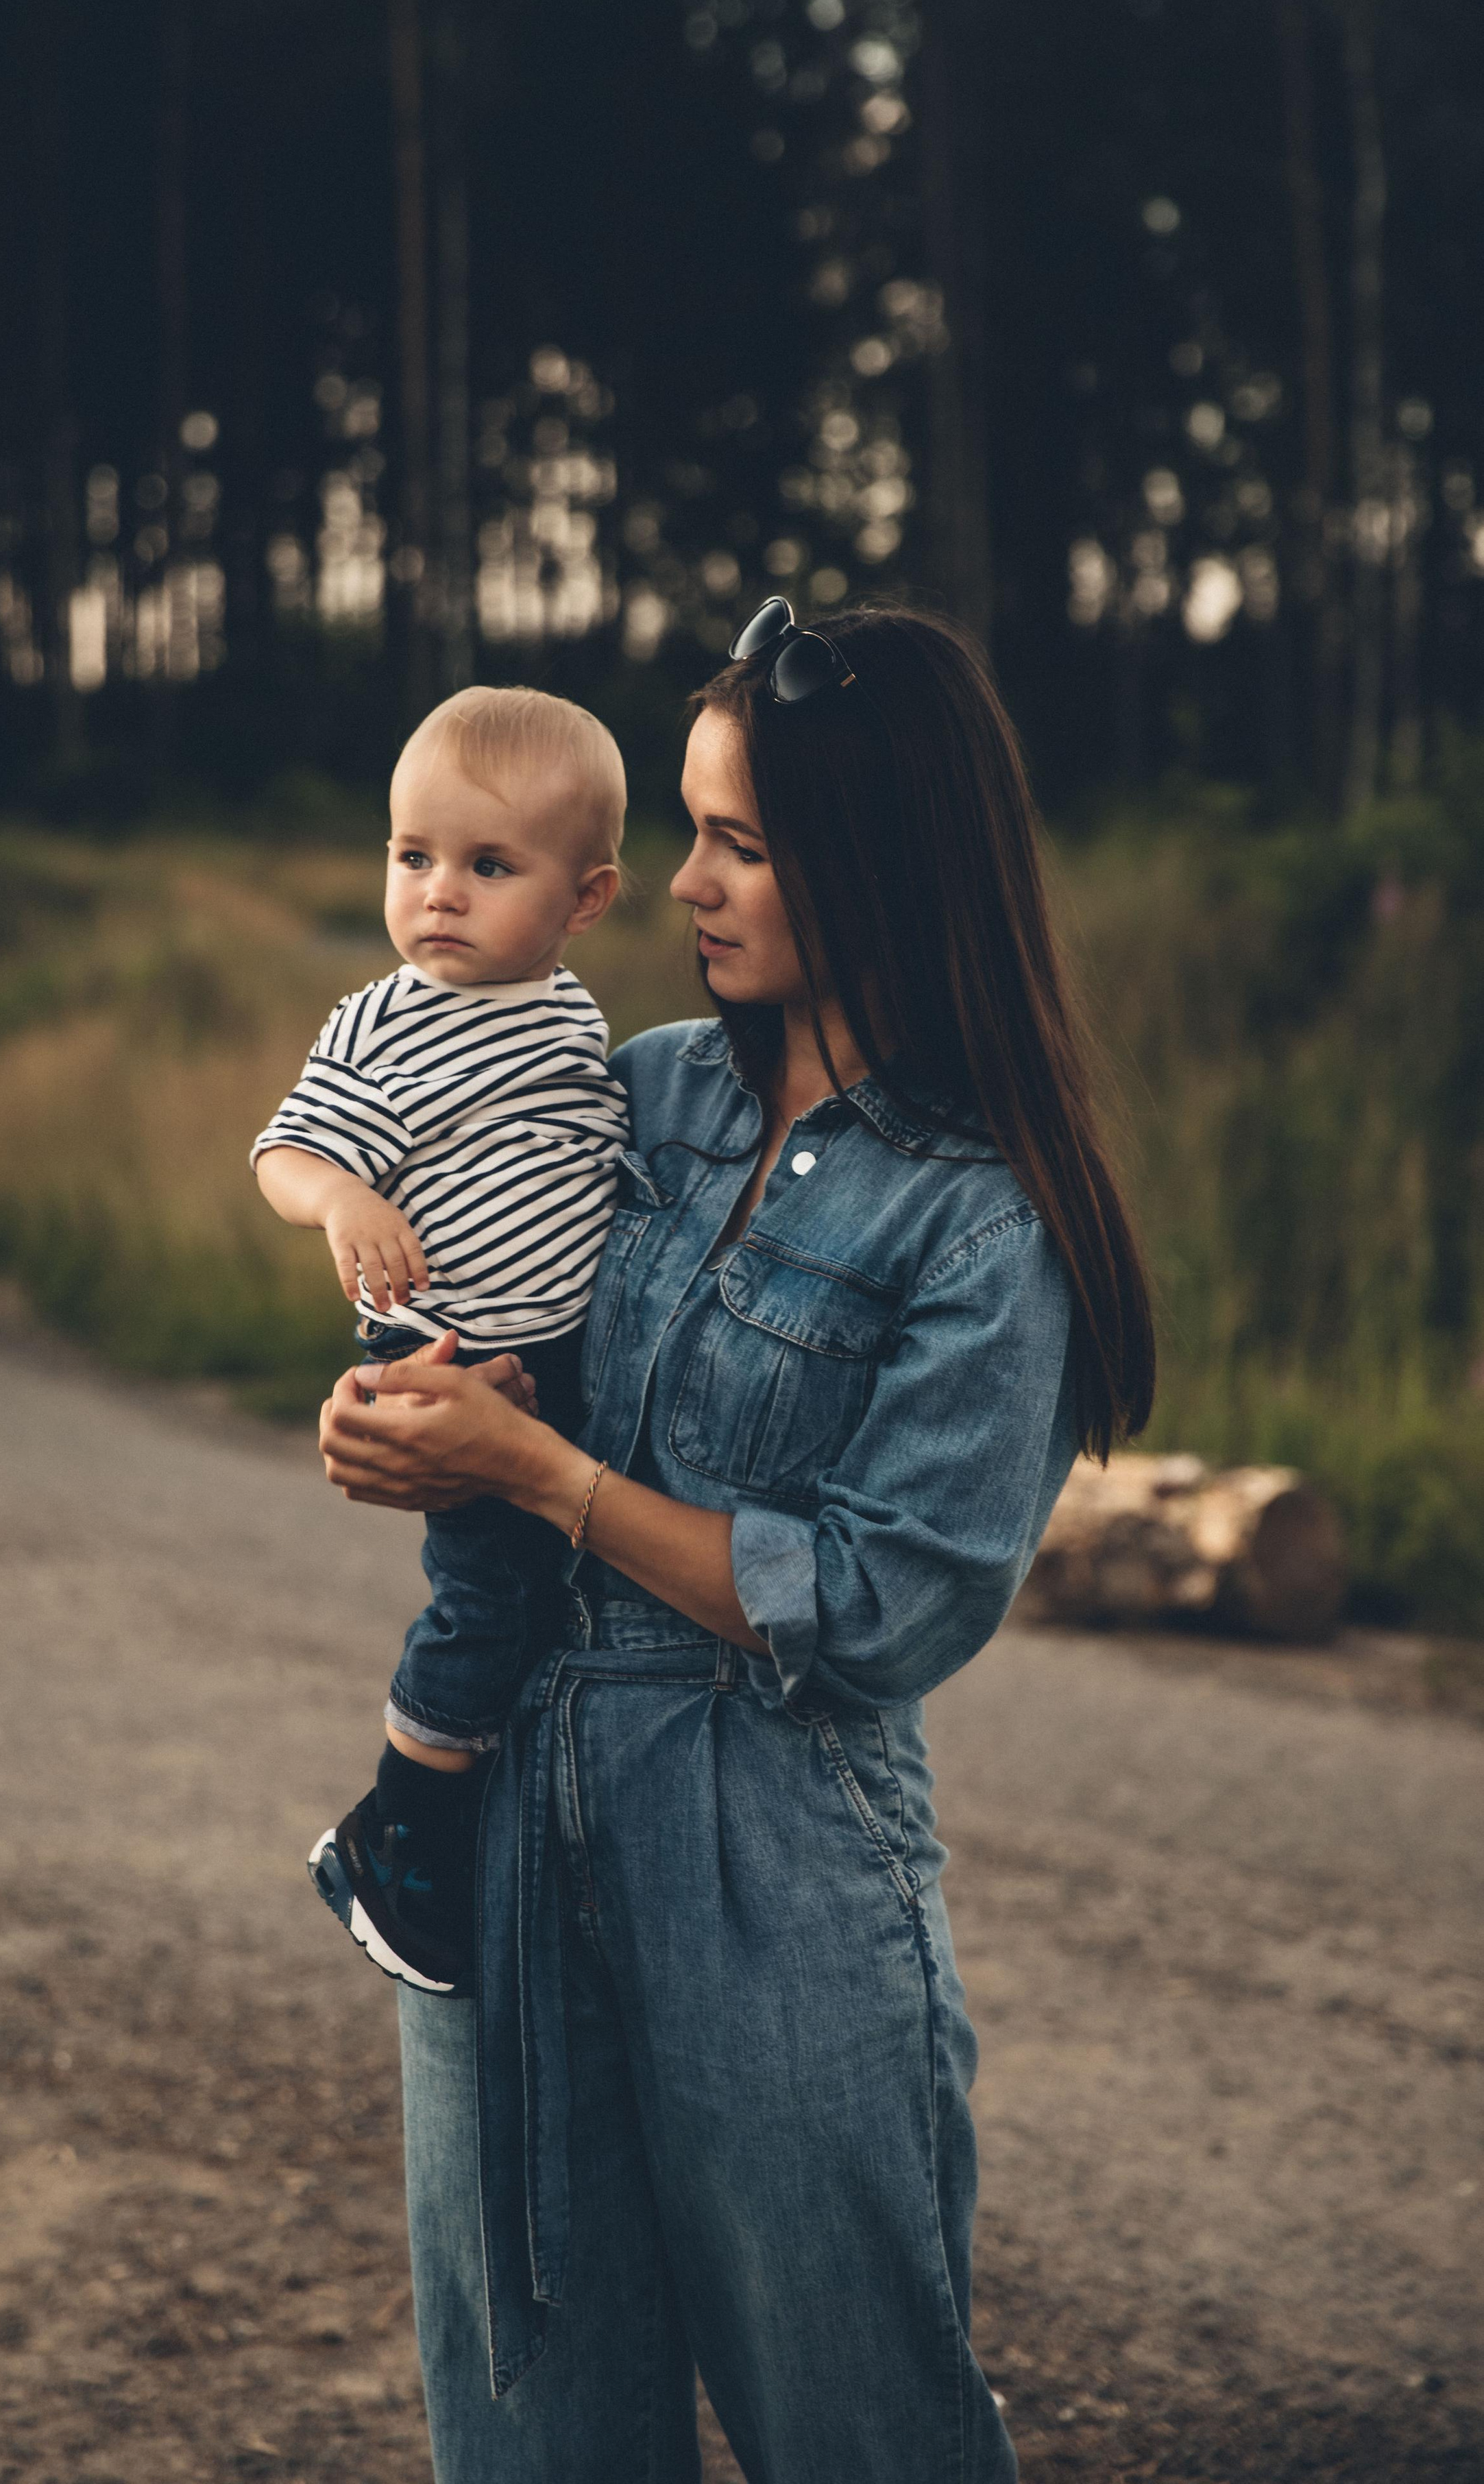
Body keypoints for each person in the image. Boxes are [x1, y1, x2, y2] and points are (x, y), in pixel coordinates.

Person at [318, 598, 1156, 2484]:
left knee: (858, 2426)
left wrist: (542, 1486)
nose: (683, 882)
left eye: (741, 844)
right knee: (533, 2421)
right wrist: (403, 1410)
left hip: (777, 1868)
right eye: (690, 828)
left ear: (880, 861)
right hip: (505, 1828)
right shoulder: (643, 1091)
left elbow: (878, 1604)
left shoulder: (979, 1220)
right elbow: (486, 1320)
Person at [253, 684, 628, 1994]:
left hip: (560, 1363)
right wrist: (344, 1195)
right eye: (412, 858)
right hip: (450, 1365)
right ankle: (402, 1828)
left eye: (487, 866)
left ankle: (503, 1808)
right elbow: (286, 1153)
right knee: (492, 1596)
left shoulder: (573, 1019)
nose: (439, 896)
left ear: (585, 900)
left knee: (561, 1594)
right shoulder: (386, 1020)